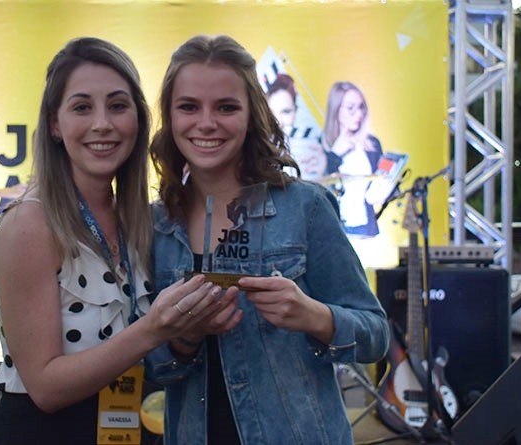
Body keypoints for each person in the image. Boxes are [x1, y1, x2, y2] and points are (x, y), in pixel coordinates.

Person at [0, 37, 238, 444]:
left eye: (118, 106)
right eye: (82, 107)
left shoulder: (140, 220)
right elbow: (45, 388)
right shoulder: (29, 223)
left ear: (138, 120)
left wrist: (186, 334)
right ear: (54, 124)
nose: (102, 123)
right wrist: (154, 329)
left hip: (129, 428)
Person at [145, 35, 390, 445]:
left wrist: (315, 316)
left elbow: (376, 336)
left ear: (251, 114)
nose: (206, 122)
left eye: (226, 107)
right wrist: (184, 338)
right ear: (169, 117)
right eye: (188, 106)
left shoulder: (306, 207)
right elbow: (149, 367)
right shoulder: (155, 225)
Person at [321, 81, 392, 237]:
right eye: (351, 108)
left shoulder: (372, 144)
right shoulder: (320, 144)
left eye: (361, 107)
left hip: (366, 229)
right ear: (336, 109)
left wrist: (386, 189)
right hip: (333, 231)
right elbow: (318, 187)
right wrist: (334, 155)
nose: (359, 114)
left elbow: (382, 185)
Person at [266, 73, 327, 180]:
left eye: (286, 112)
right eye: (271, 113)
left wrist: (323, 171)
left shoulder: (313, 143)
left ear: (296, 111)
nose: (279, 121)